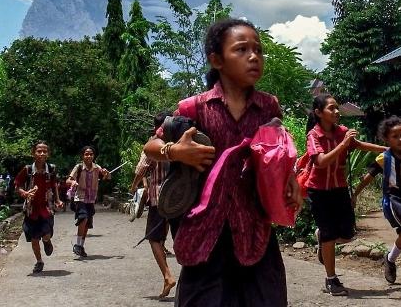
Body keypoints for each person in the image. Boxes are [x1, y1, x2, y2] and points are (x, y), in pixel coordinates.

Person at [144, 18, 302, 307]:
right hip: (205, 231)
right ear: (216, 59)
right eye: (241, 49)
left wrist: (290, 178)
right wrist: (175, 151)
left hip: (254, 228)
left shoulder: (269, 106)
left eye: (258, 50)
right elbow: (151, 146)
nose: (254, 56)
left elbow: (279, 148)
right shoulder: (194, 108)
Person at [306, 93, 386, 296]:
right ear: (318, 113)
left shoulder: (341, 131)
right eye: (331, 108)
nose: (336, 111)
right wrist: (343, 144)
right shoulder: (313, 136)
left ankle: (322, 239)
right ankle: (331, 279)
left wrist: (389, 149)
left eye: (336, 108)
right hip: (319, 191)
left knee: (348, 232)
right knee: (329, 234)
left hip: (339, 188)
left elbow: (360, 145)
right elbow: (321, 162)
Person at [131, 112, 175, 300]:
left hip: (160, 198)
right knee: (176, 236)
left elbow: (141, 169)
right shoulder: (179, 140)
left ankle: (167, 276)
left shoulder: (153, 143)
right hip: (181, 197)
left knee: (154, 238)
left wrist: (134, 185)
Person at [351, 115, 401, 284]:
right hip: (394, 200)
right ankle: (390, 259)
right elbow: (367, 178)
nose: (400, 139)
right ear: (386, 139)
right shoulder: (384, 158)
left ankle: (390, 259)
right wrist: (355, 193)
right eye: (395, 136)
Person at [15, 140, 63, 274]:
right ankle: (39, 261)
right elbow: (17, 184)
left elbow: (54, 185)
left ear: (48, 153)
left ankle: (47, 241)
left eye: (45, 151)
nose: (42, 153)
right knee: (34, 238)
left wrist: (58, 200)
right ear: (33, 153)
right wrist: (24, 193)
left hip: (47, 208)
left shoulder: (51, 169)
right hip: (32, 210)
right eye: (39, 151)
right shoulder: (28, 170)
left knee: (46, 234)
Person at [67, 146, 110, 257]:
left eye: (91, 154)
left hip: (91, 199)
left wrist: (106, 173)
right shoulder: (79, 167)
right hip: (80, 198)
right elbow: (68, 180)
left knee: (87, 224)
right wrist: (72, 183)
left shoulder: (97, 168)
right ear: (82, 156)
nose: (89, 156)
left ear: (94, 156)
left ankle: (81, 246)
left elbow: (107, 177)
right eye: (86, 154)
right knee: (83, 218)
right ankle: (77, 244)